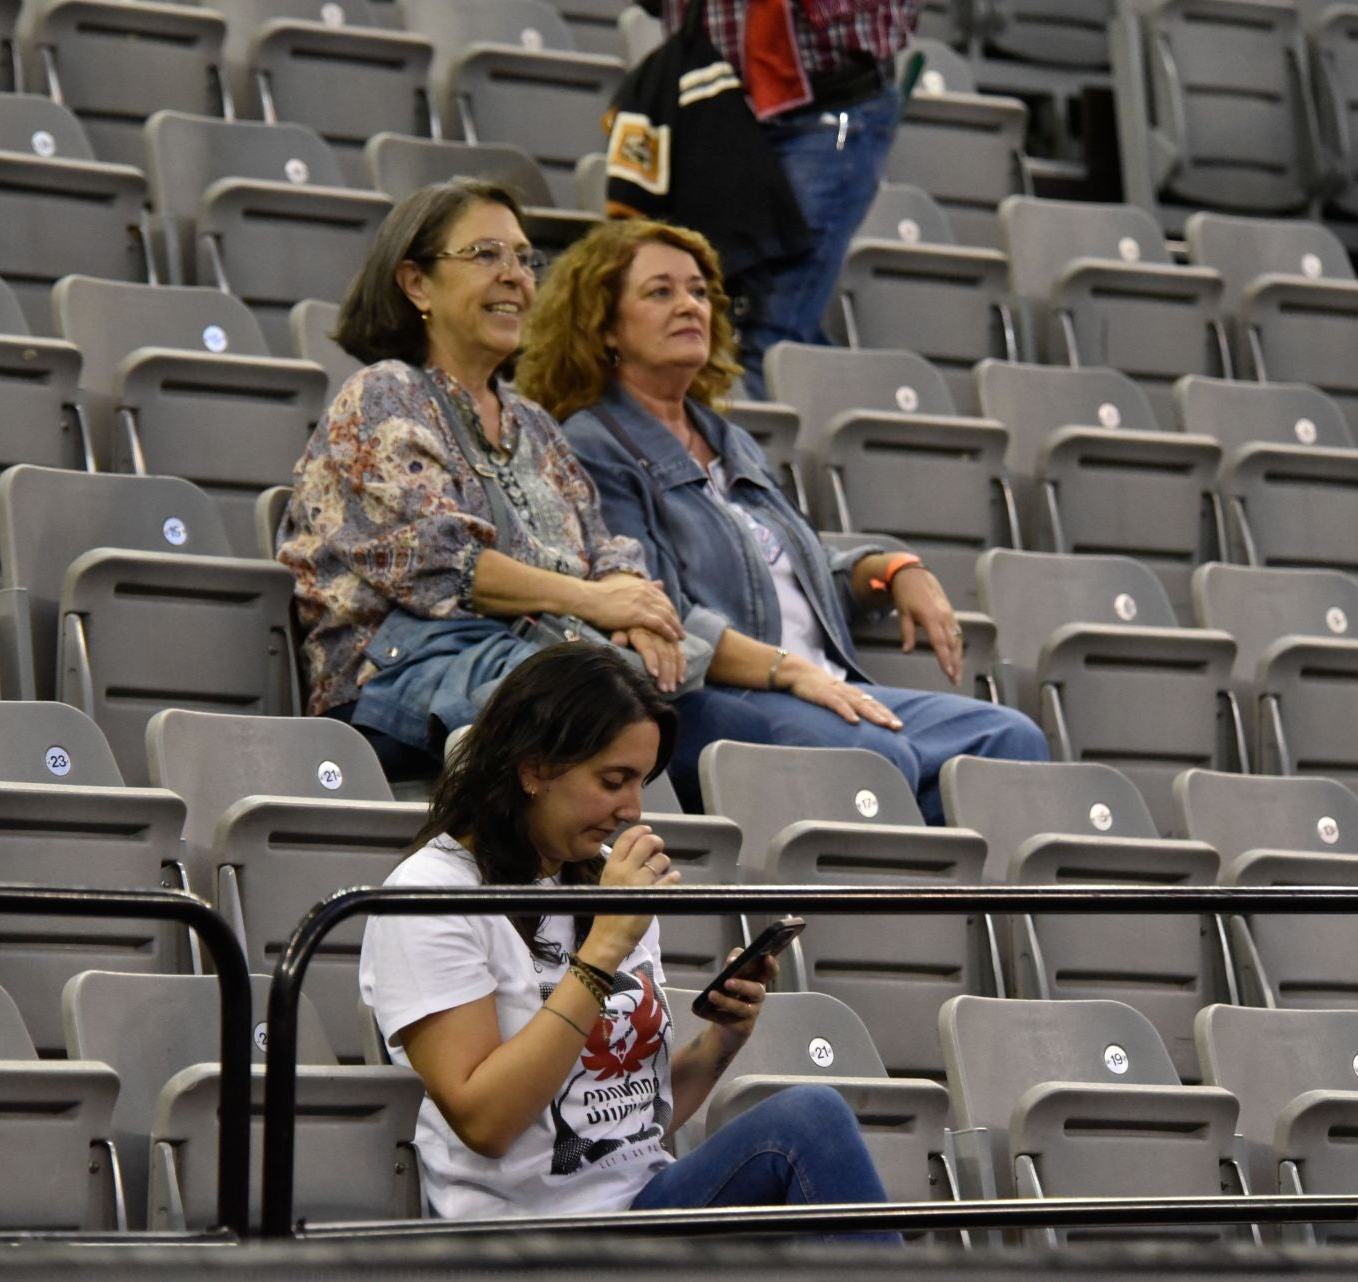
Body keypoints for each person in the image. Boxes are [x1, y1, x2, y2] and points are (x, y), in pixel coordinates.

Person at [516, 219, 1047, 821]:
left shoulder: (729, 439)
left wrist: (893, 569)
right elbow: (654, 612)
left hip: (819, 684)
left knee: (1010, 741)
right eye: (660, 292)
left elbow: (799, 567)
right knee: (876, 758)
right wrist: (788, 671)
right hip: (716, 695)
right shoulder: (593, 445)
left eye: (697, 292)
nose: (688, 305)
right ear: (604, 325)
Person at [359, 643, 899, 1231]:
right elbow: (486, 1124)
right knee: (807, 1120)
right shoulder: (429, 895)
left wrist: (720, 1043)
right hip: (528, 1237)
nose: (633, 809)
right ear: (533, 768)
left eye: (641, 782)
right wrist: (604, 948)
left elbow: (629, 1126)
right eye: (613, 780)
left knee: (812, 1117)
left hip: (642, 1206)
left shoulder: (601, 876)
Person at [276, 179, 691, 779]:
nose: (515, 275)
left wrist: (634, 605)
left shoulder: (536, 422)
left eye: (524, 259)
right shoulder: (384, 395)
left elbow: (604, 545)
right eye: (486, 254)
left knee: (667, 713)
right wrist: (595, 599)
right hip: (395, 677)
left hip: (535, 662)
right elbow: (445, 562)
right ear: (416, 282)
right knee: (607, 720)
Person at [639, 0, 917, 395]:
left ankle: (760, 449)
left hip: (832, 111)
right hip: (714, 109)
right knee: (704, 307)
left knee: (775, 323)